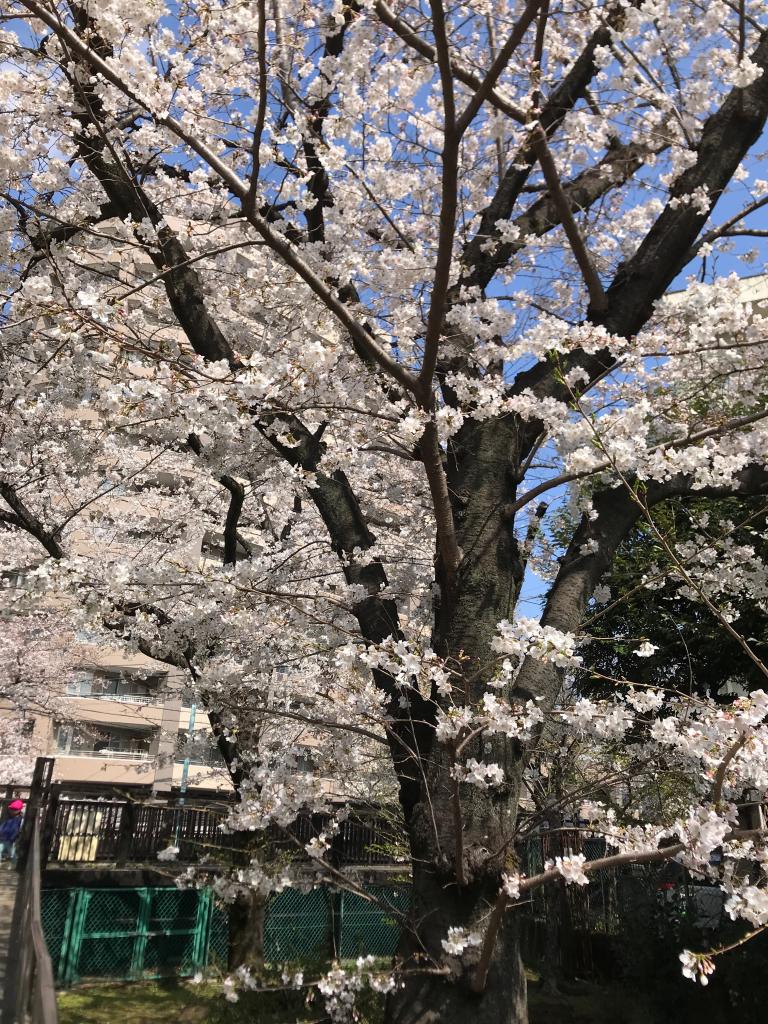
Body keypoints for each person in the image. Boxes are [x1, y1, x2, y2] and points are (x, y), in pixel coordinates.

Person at [0, 799, 24, 865]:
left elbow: (16, 830)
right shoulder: (11, 818)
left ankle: (15, 864)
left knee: (12, 852)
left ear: (18, 810)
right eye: (11, 809)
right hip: (4, 837)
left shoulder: (18, 820)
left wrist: (12, 838)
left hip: (9, 838)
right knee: (4, 850)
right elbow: (3, 826)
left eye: (14, 809)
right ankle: (14, 863)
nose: (11, 811)